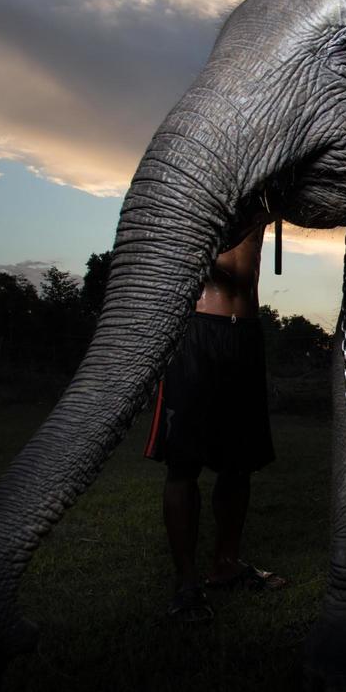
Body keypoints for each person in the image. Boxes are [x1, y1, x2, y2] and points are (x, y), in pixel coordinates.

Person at [144, 227, 287, 623]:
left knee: (239, 463)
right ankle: (186, 582)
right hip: (196, 327)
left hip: (245, 333)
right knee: (183, 462)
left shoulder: (266, 186)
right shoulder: (201, 180)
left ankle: (227, 563)